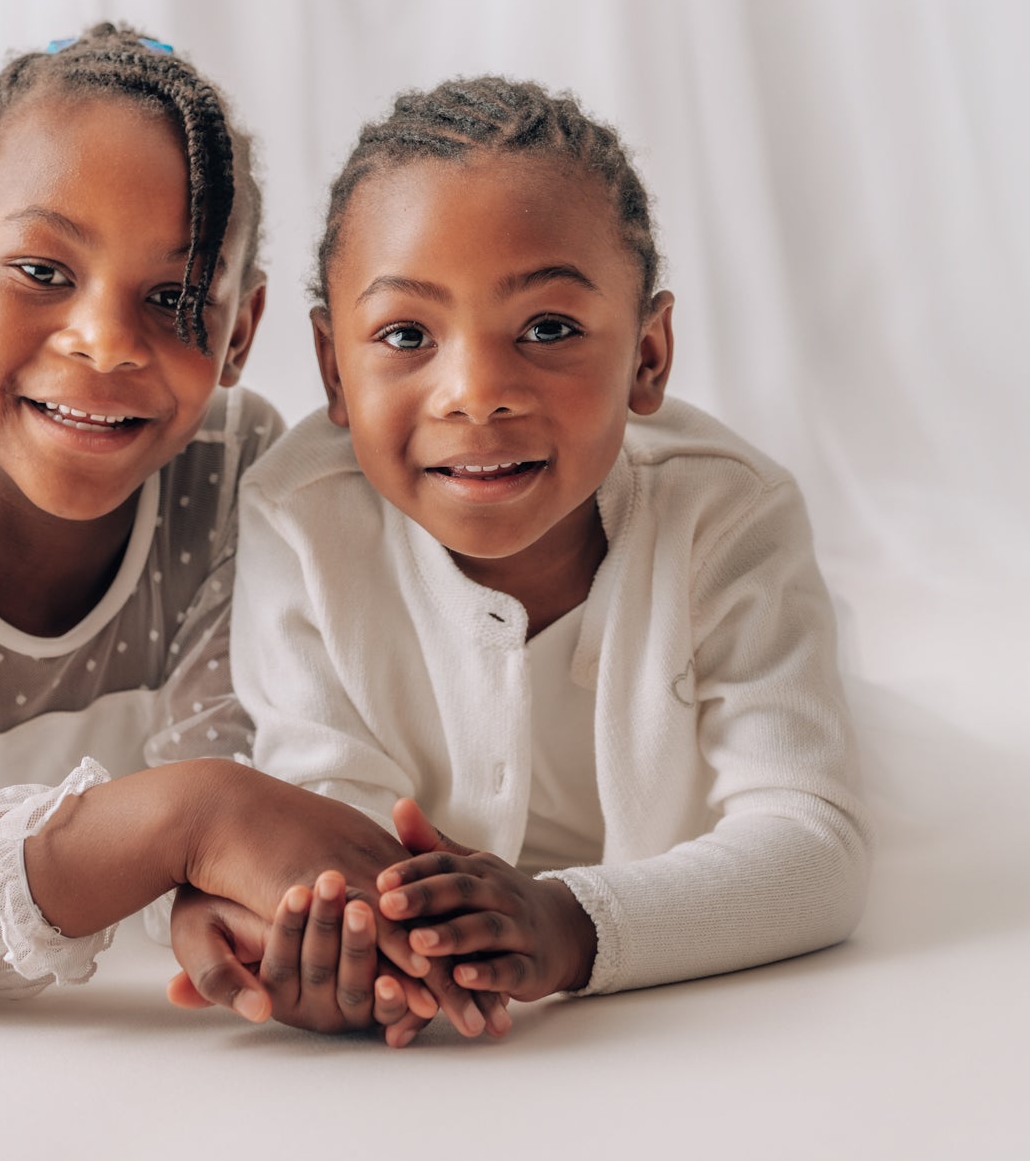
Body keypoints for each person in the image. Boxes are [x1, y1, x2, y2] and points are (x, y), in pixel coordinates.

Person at [0, 26, 491, 1043]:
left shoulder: (229, 472)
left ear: (237, 333)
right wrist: (193, 819)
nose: (106, 340)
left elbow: (233, 821)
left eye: (174, 299)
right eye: (43, 268)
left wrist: (275, 929)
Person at [222, 76, 872, 1012]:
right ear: (333, 367)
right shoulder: (300, 517)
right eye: (406, 333)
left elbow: (814, 844)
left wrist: (569, 926)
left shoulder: (729, 514)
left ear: (647, 355)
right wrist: (367, 946)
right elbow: (330, 817)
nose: (475, 391)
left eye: (548, 328)